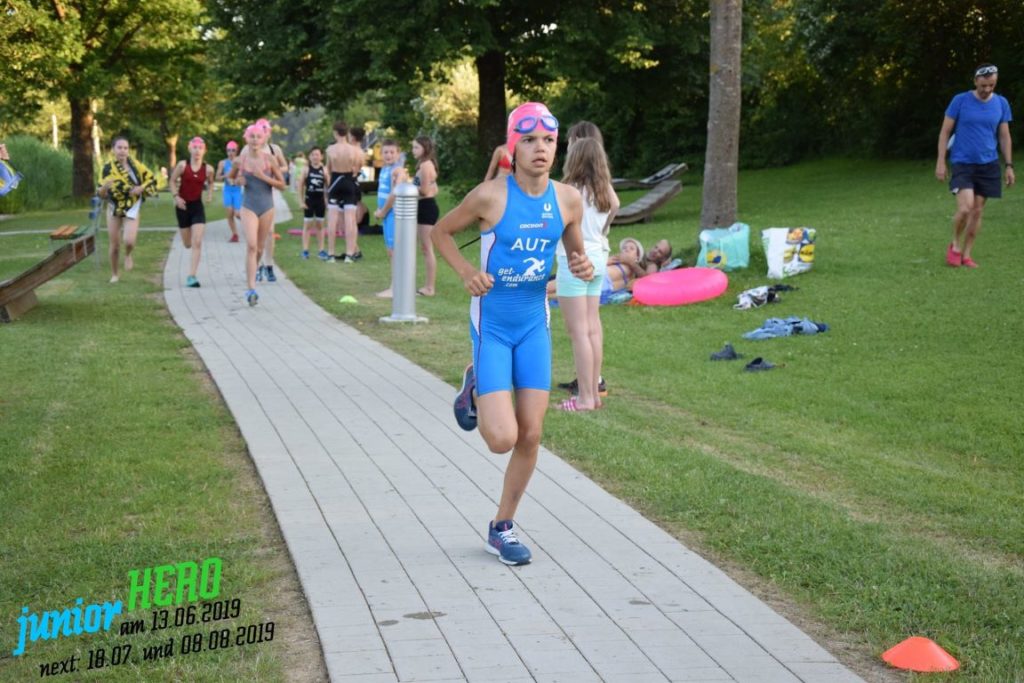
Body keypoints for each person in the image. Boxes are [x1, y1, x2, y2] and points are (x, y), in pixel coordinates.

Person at [431, 102, 593, 566]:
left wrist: (580, 264)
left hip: (532, 323)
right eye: (529, 140)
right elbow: (442, 233)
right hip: (494, 324)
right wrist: (465, 272)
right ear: (512, 146)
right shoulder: (489, 197)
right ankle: (476, 384)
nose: (540, 149)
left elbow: (575, 255)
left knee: (531, 434)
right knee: (501, 438)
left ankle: (502, 527)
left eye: (547, 140)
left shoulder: (567, 200)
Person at [554, 135, 619, 412]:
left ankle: (584, 398)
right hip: (598, 256)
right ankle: (592, 394)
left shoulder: (568, 190)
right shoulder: (604, 191)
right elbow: (615, 207)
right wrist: (602, 231)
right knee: (592, 327)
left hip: (574, 259)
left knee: (578, 331)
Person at [936, 63, 1014, 268]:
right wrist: (940, 161)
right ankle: (954, 245)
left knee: (977, 211)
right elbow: (945, 132)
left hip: (988, 164)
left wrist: (1009, 165)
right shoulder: (960, 101)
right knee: (965, 209)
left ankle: (967, 254)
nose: (987, 89)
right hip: (962, 162)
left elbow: (1004, 136)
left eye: (992, 85)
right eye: (983, 85)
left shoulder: (1001, 103)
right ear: (975, 81)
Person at [229, 122, 287, 306]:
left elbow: (282, 185)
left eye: (258, 137)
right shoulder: (241, 160)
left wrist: (263, 177)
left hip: (267, 207)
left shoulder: (270, 159)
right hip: (249, 206)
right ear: (246, 138)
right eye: (251, 136)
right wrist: (238, 180)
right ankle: (251, 288)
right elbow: (230, 178)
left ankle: (253, 269)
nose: (255, 140)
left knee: (260, 248)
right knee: (252, 246)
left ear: (264, 139)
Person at [97, 136, 158, 283]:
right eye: (119, 148)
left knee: (129, 241)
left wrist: (140, 188)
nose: (122, 151)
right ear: (113, 150)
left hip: (132, 206)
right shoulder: (107, 168)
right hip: (114, 206)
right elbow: (100, 193)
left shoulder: (136, 166)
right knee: (115, 245)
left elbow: (151, 179)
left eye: (125, 148)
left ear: (128, 150)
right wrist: (105, 187)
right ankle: (115, 274)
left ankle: (128, 254)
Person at [169, 137, 215, 288]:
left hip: (197, 207)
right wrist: (176, 197)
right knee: (187, 244)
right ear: (190, 149)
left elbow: (211, 182)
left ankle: (192, 276)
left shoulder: (208, 169)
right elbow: (172, 181)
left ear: (204, 150)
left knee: (197, 241)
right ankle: (191, 270)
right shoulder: (182, 166)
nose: (197, 151)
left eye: (200, 148)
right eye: (194, 147)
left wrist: (209, 194)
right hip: (182, 207)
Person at [324, 121, 365, 263]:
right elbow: (358, 168)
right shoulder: (355, 150)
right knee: (350, 219)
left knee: (332, 219)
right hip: (349, 181)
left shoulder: (330, 149)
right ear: (347, 133)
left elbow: (328, 169)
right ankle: (349, 254)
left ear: (335, 133)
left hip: (335, 180)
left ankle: (330, 254)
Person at [374, 139, 408, 298]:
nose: (388, 155)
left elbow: (395, 194)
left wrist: (382, 212)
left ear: (398, 153)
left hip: (393, 214)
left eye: (391, 152)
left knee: (394, 251)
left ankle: (396, 288)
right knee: (391, 252)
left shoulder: (397, 170)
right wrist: (380, 210)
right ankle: (396, 285)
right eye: (385, 152)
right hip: (386, 214)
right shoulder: (384, 169)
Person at [412, 136, 439, 296]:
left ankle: (430, 288)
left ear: (424, 148)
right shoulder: (423, 165)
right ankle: (415, 283)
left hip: (426, 207)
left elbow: (425, 191)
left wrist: (409, 185)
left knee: (427, 248)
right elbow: (433, 187)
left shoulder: (426, 166)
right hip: (421, 206)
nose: (413, 150)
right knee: (421, 247)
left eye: (416, 147)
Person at [298, 146, 327, 260]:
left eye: (317, 154)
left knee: (320, 226)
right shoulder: (306, 169)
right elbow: (300, 186)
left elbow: (328, 186)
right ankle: (305, 251)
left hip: (320, 202)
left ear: (322, 157)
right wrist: (301, 201)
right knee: (307, 226)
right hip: (309, 201)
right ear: (309, 157)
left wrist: (327, 200)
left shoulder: (324, 170)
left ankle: (321, 251)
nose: (315, 157)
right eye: (313, 154)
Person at [216, 141, 242, 242]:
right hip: (227, 190)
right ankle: (235, 234)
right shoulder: (222, 163)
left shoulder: (240, 162)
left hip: (237, 191)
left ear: (237, 151)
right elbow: (217, 177)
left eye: (233, 150)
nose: (230, 152)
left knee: (237, 214)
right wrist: (225, 176)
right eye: (228, 150)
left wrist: (239, 178)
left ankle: (251, 223)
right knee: (230, 213)